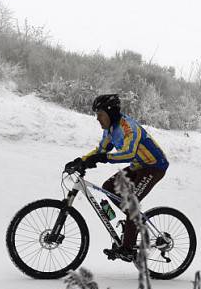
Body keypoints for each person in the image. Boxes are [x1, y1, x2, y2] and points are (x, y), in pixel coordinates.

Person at [64, 94, 169, 262]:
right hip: (138, 166)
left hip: (154, 167)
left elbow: (128, 153)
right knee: (109, 187)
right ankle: (133, 223)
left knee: (132, 203)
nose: (97, 119)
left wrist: (104, 158)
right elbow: (101, 151)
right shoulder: (110, 130)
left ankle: (128, 248)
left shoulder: (129, 128)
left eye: (100, 114)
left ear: (111, 113)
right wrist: (81, 161)